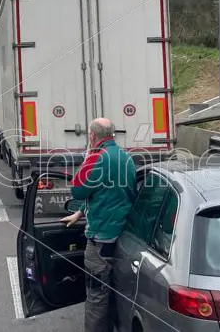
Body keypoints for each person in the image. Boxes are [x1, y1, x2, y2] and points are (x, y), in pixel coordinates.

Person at [59, 117, 137, 332]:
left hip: (100, 240)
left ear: (92, 136)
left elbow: (77, 189)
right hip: (123, 238)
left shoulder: (96, 158)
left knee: (96, 297)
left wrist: (87, 158)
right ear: (112, 135)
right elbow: (112, 193)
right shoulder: (126, 158)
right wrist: (80, 212)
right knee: (117, 295)